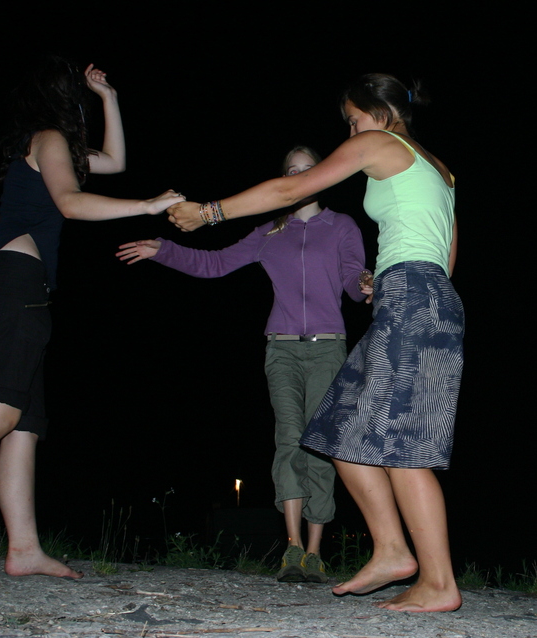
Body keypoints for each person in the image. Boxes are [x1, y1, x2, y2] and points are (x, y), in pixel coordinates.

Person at [167, 73, 462, 612]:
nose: (350, 131)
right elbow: (446, 255)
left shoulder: (380, 142)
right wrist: (392, 286)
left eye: (352, 119)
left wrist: (209, 212)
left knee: (401, 445)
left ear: (378, 113)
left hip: (412, 296)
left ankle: (439, 582)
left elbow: (290, 190)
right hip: (422, 294)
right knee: (335, 427)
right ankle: (393, 550)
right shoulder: (439, 169)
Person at [0, 55, 183, 583]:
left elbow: (115, 161)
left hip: (14, 288)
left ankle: (24, 549)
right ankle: (23, 547)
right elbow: (72, 203)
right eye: (80, 100)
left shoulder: (50, 144)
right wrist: (146, 205)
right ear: (64, 101)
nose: (83, 110)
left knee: (22, 424)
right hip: (12, 286)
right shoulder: (49, 137)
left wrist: (110, 98)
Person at [116, 145, 368, 584]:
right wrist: (165, 250)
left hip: (329, 348)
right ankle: (292, 549)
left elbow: (352, 280)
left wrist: (366, 283)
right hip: (281, 349)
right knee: (289, 439)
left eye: (309, 169)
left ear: (325, 174)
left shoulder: (342, 226)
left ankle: (315, 552)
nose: (300, 176)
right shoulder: (270, 230)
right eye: (292, 171)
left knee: (320, 446)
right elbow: (215, 263)